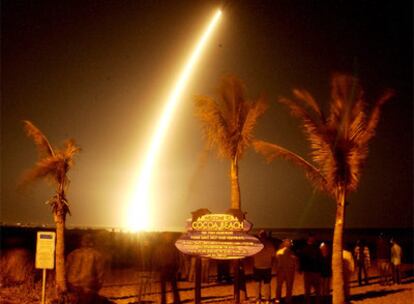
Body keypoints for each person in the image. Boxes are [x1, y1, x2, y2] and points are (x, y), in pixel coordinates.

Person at [66, 234, 106, 304]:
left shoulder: (72, 254)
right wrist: (97, 288)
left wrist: (67, 285)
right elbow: (100, 274)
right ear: (92, 243)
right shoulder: (97, 255)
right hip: (89, 286)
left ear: (81, 242)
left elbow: (65, 270)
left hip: (72, 285)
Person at [154, 232, 181, 304]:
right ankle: (172, 301)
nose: (168, 238)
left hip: (169, 268)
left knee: (171, 287)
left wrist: (176, 267)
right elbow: (157, 258)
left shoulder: (170, 247)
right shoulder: (166, 247)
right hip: (166, 268)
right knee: (169, 287)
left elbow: (176, 258)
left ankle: (173, 301)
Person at [252, 230, 275, 303]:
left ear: (259, 236)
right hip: (267, 267)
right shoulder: (270, 244)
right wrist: (271, 264)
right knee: (267, 284)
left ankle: (258, 299)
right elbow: (273, 256)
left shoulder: (256, 245)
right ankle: (267, 299)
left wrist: (254, 263)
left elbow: (252, 255)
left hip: (257, 267)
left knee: (257, 284)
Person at [299, 234, 322, 304]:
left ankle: (308, 301)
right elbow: (320, 259)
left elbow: (302, 259)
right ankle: (317, 301)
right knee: (317, 289)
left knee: (308, 289)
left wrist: (301, 269)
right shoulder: (317, 249)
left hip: (308, 271)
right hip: (315, 271)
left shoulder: (304, 249)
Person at [275, 239, 297, 304]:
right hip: (289, 272)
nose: (290, 245)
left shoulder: (278, 252)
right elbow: (295, 262)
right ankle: (288, 300)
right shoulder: (291, 253)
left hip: (281, 271)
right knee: (289, 287)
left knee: (279, 286)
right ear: (288, 245)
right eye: (290, 244)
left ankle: (277, 299)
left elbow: (276, 261)